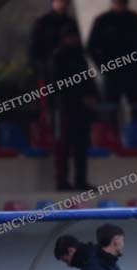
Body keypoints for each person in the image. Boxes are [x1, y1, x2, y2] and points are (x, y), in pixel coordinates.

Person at [87, 0, 137, 130]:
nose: (120, 6)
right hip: (113, 72)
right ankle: (112, 138)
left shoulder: (133, 18)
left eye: (123, 3)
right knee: (111, 112)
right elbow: (91, 47)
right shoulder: (103, 20)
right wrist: (103, 66)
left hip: (133, 72)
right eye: (118, 3)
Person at [52, 24, 98, 192]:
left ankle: (80, 180)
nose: (74, 40)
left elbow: (88, 80)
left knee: (81, 146)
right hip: (66, 108)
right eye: (71, 37)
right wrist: (80, 97)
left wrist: (92, 96)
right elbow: (58, 85)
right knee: (64, 146)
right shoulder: (58, 57)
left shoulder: (80, 57)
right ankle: (62, 180)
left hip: (82, 110)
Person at [29, 0, 78, 87]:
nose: (62, 4)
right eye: (60, 1)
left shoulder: (71, 23)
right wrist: (41, 72)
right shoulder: (42, 23)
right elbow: (34, 51)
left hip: (71, 71)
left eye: (65, 2)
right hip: (50, 73)